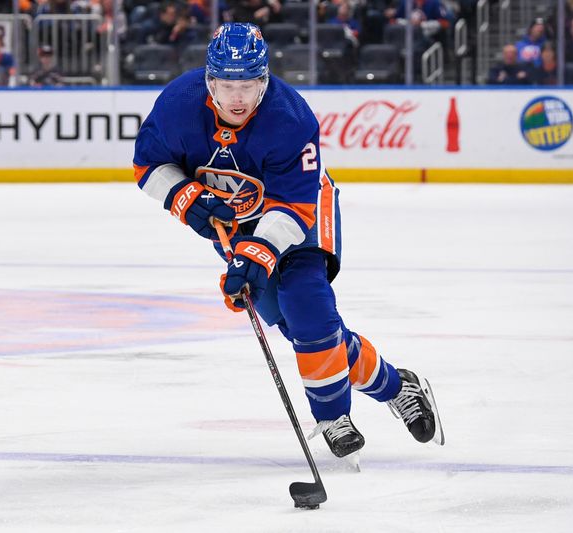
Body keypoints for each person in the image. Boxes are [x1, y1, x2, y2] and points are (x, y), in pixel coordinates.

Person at [133, 23, 444, 458]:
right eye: (226, 85)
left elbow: (293, 208)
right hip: (235, 219)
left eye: (248, 84)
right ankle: (396, 385)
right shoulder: (177, 104)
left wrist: (256, 257)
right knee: (296, 327)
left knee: (306, 300)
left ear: (264, 80)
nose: (237, 97)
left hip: (300, 208)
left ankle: (333, 416)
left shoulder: (291, 118)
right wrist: (189, 199)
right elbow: (147, 164)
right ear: (209, 81)